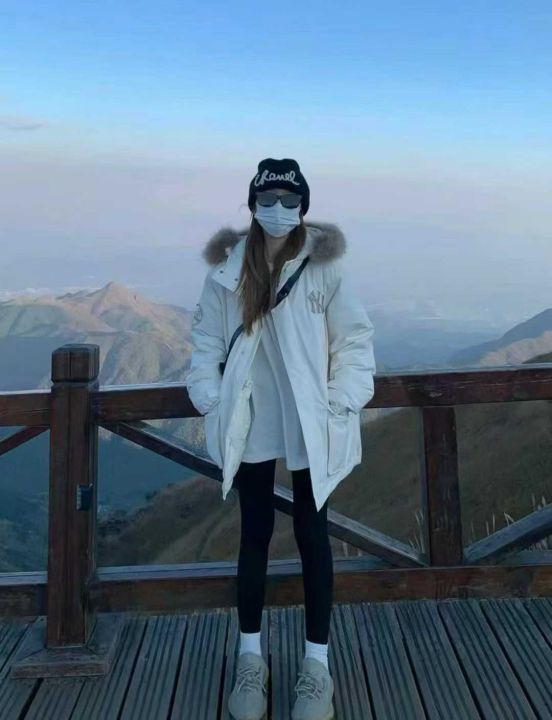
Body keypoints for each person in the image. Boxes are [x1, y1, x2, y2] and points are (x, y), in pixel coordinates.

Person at [186, 158, 376, 720]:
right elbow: (205, 341)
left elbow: (354, 342)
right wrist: (212, 398)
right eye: (266, 199)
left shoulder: (325, 268)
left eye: (288, 200)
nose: (277, 209)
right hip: (250, 418)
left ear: (303, 205)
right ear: (252, 204)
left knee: (313, 535)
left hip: (309, 421)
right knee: (254, 534)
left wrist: (340, 401)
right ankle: (250, 657)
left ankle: (317, 667)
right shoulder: (228, 270)